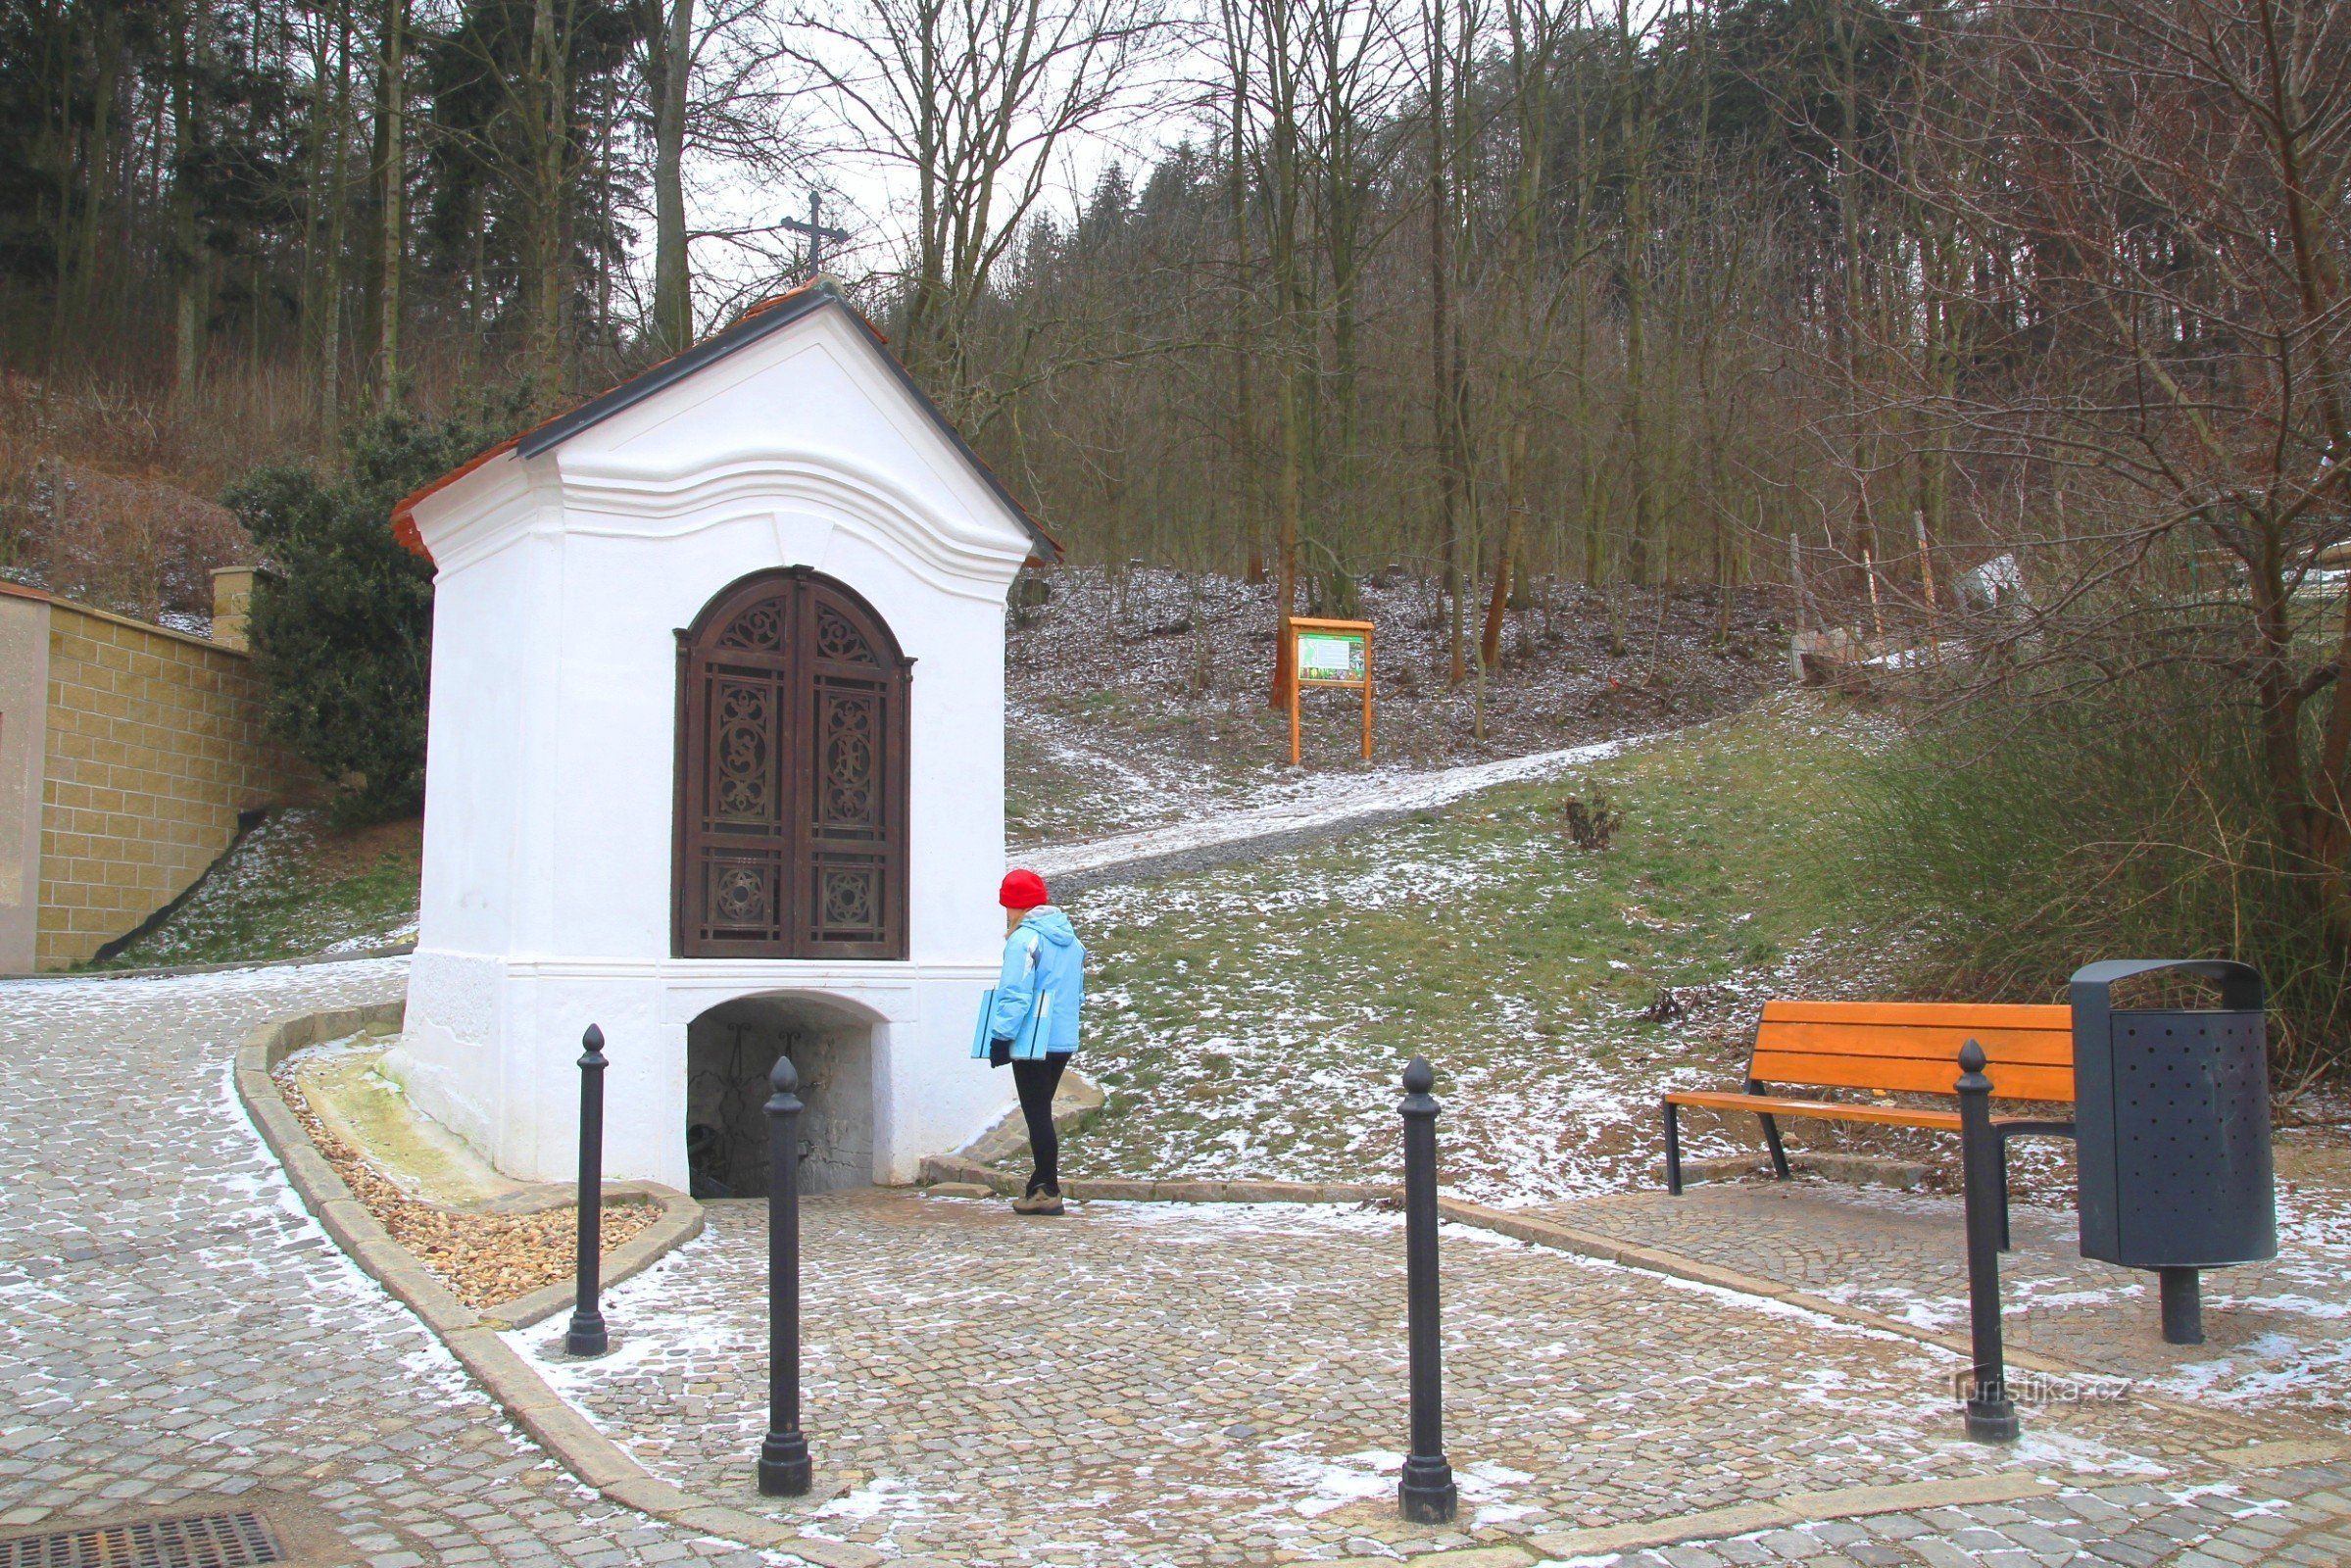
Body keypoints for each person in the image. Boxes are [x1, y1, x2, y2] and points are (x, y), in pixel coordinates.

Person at [989, 867, 1086, 1215]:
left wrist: (1001, 1035)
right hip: (1062, 1038)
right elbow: (1077, 991)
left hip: (1031, 1039)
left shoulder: (1023, 940)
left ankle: (1047, 1190)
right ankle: (1039, 1185)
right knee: (1041, 1110)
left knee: (1037, 1115)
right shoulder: (1071, 939)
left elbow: (1015, 993)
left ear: (1014, 905)